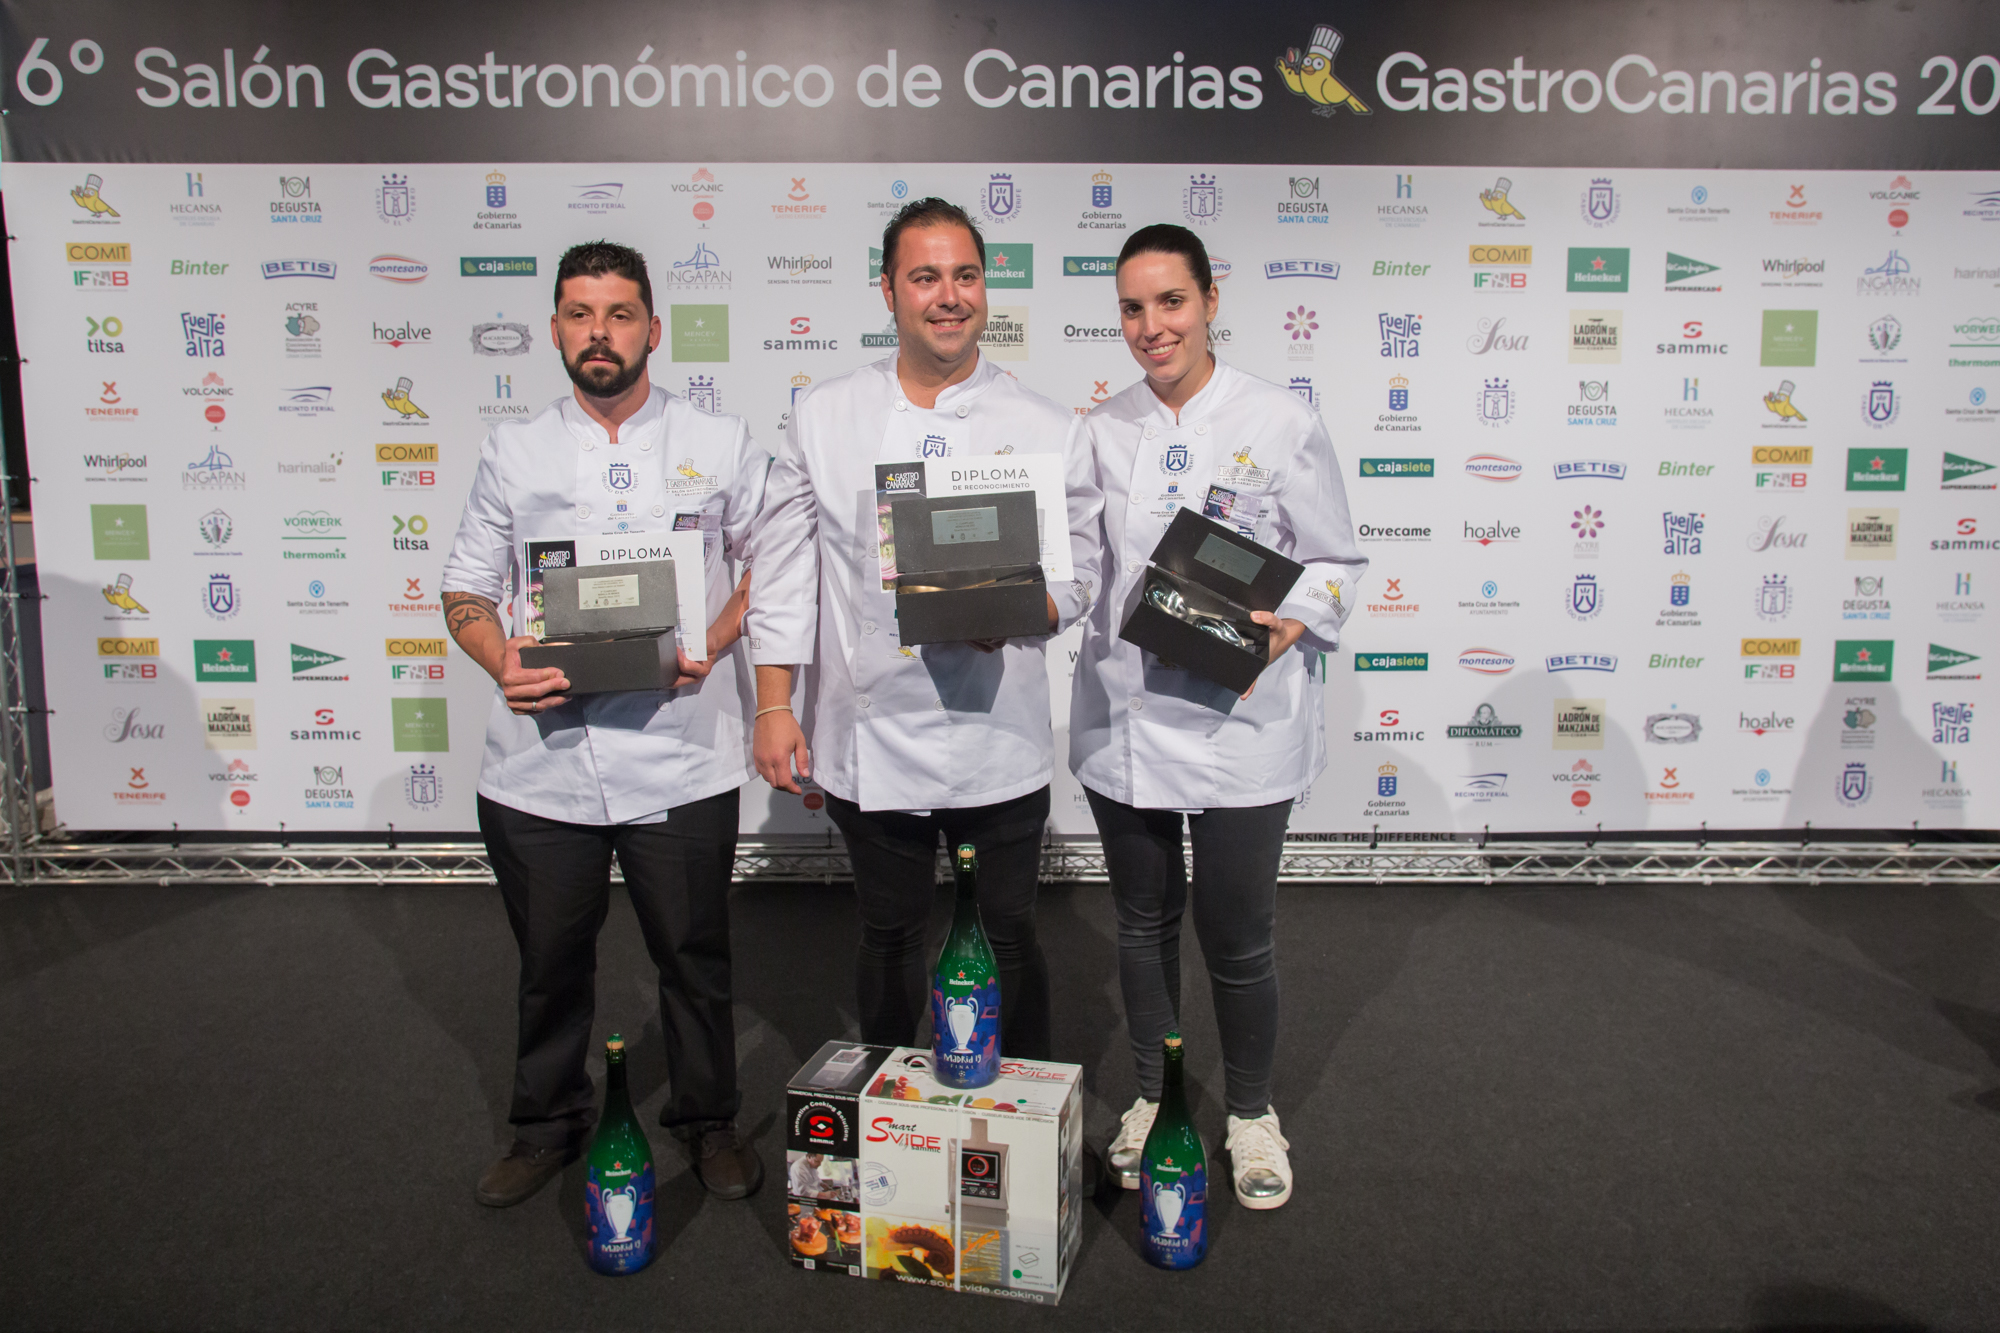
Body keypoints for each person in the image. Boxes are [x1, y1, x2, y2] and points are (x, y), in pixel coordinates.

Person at [440, 240, 767, 1208]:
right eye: (579, 315)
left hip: (679, 760)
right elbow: (465, 586)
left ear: (652, 330)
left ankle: (706, 1119)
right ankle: (546, 1122)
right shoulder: (515, 449)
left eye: (619, 314)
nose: (599, 333)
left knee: (695, 962)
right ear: (553, 330)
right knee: (548, 968)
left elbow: (773, 559)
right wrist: (505, 661)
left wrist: (708, 638)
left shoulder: (719, 441)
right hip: (540, 770)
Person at [747, 197, 1103, 1060]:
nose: (949, 296)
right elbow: (787, 569)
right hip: (872, 736)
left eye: (966, 276)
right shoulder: (824, 415)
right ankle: (887, 1101)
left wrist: (1022, 611)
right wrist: (773, 705)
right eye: (926, 276)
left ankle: (1027, 1112)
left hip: (998, 731)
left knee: (1011, 934)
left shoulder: (1049, 425)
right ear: (888, 291)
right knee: (889, 935)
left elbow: (1081, 572)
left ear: (987, 288)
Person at [1072, 224, 1367, 1211]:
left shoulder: (1280, 420)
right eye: (1132, 307)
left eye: (1170, 302)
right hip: (1125, 719)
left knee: (1236, 934)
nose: (1151, 326)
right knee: (1141, 924)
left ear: (1208, 300)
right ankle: (1155, 1102)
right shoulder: (1099, 428)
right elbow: (1079, 571)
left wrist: (1294, 625)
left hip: (1243, 723)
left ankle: (1249, 1113)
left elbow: (1332, 561)